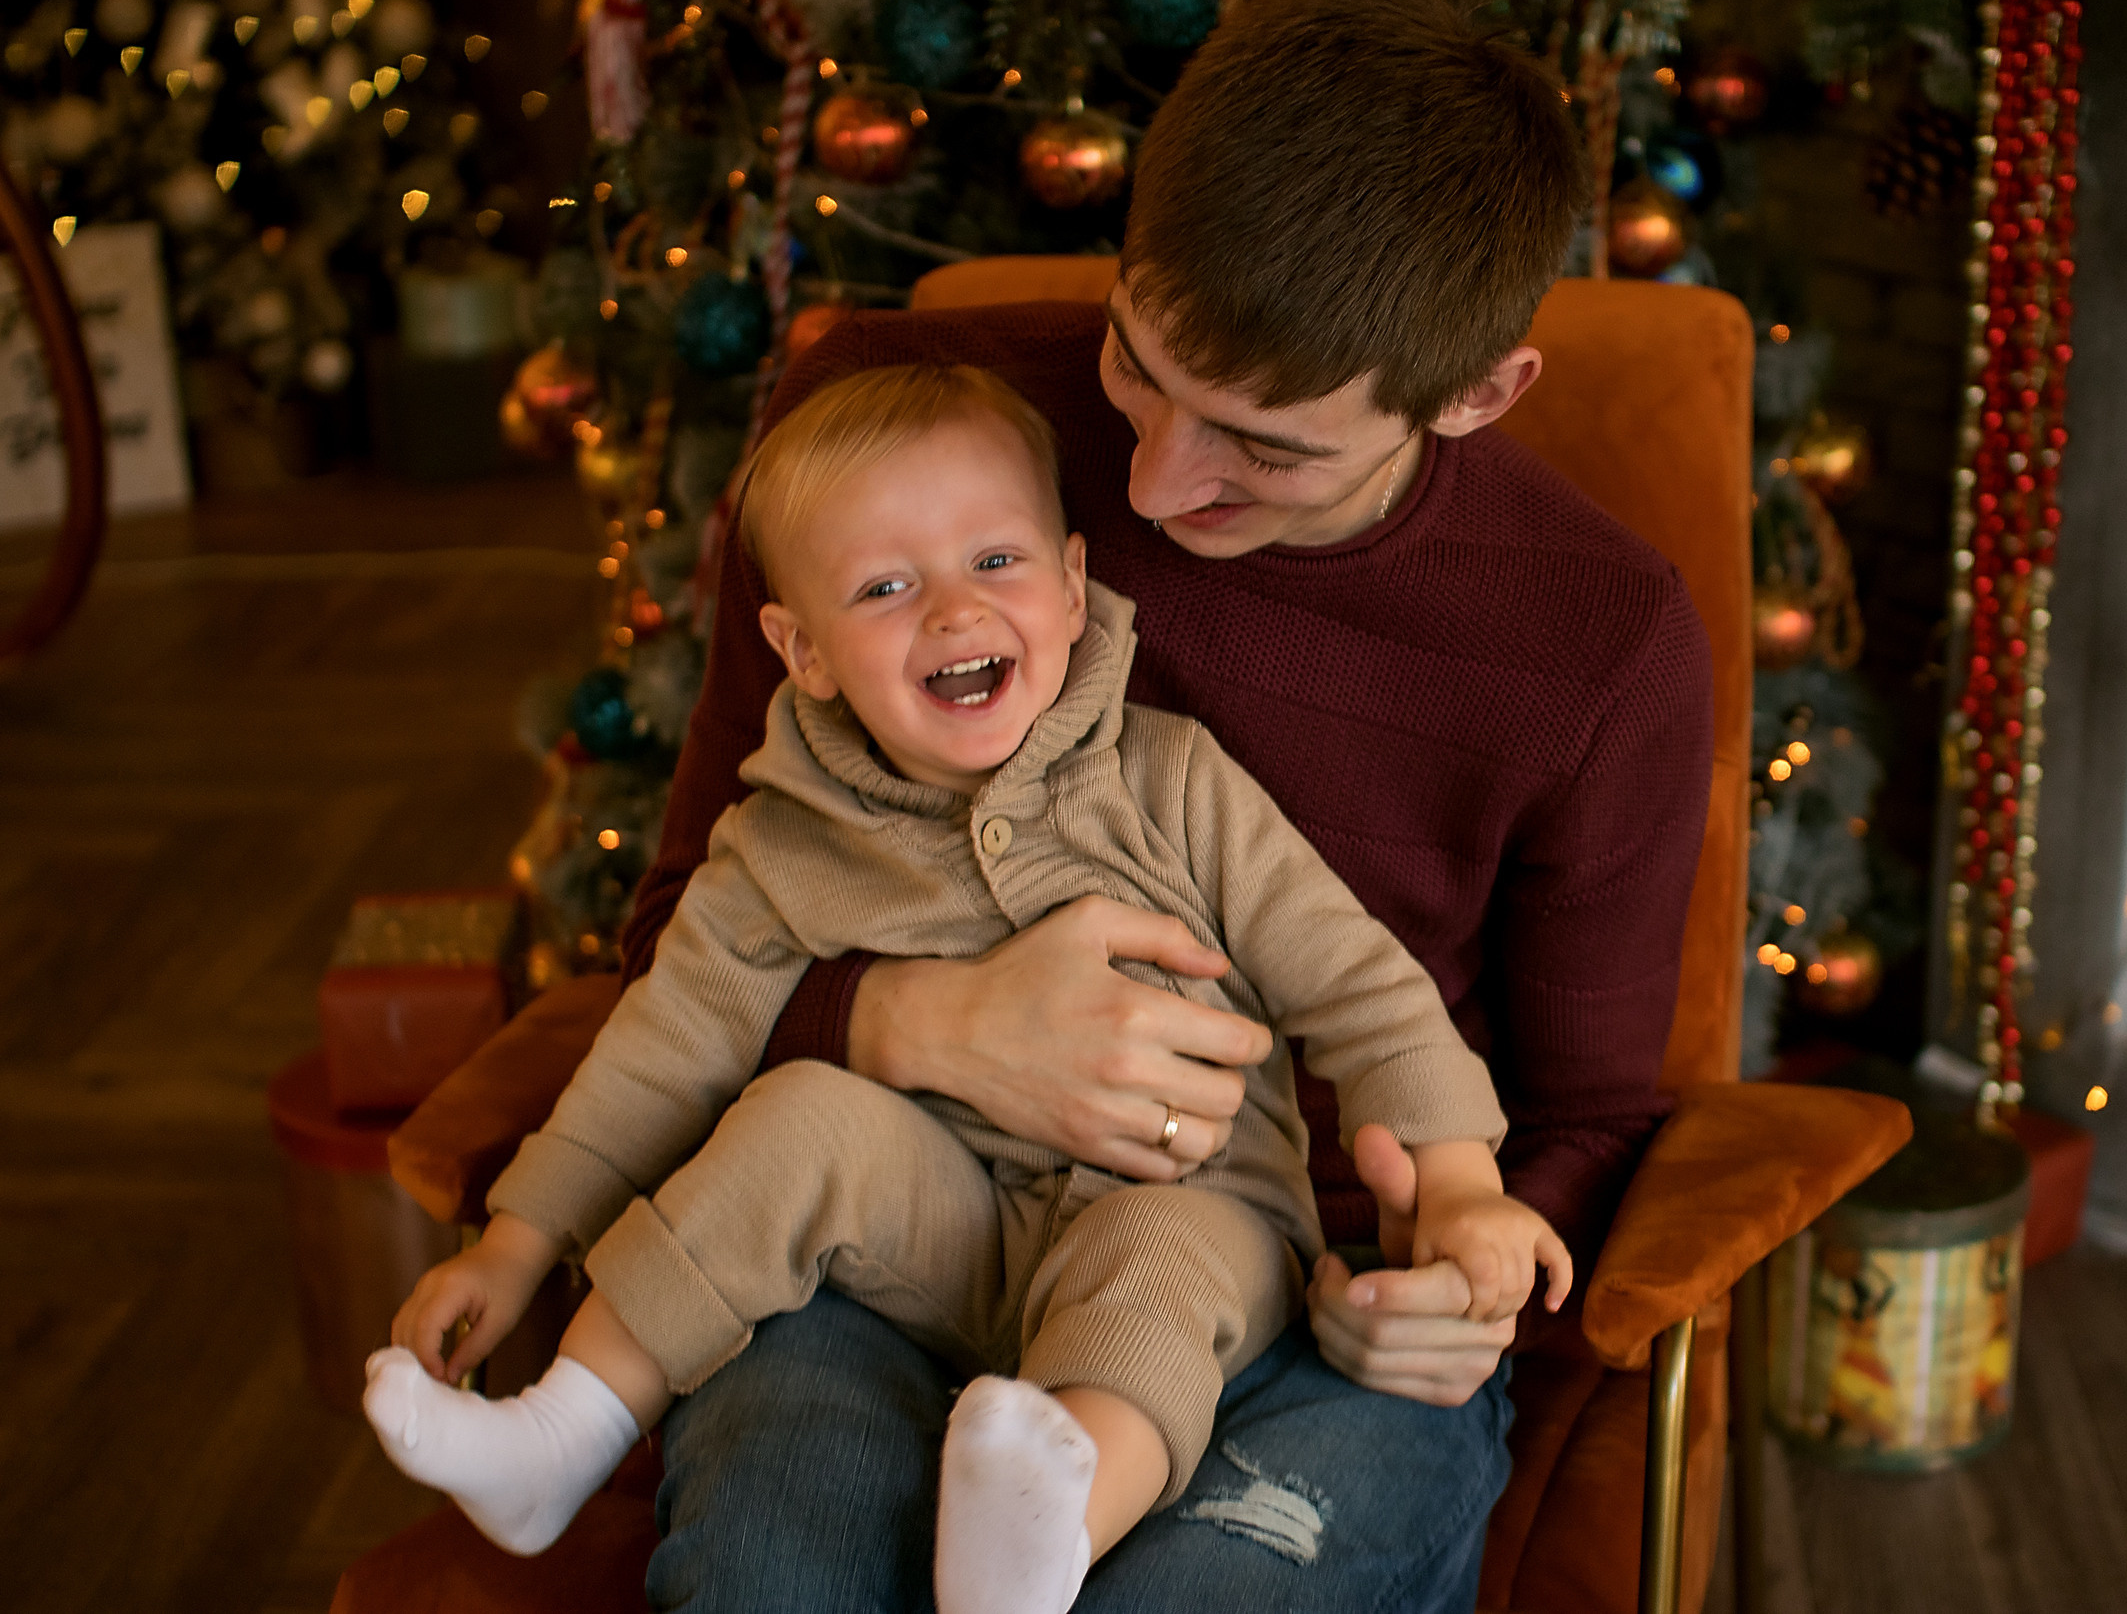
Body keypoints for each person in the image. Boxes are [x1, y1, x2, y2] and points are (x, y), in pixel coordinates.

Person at [580, 0, 1709, 1613]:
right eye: (1134, 365)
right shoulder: (913, 439)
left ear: (1474, 396)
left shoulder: (1603, 639)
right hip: (897, 1233)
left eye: (1263, 444)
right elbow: (686, 923)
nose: (1156, 486)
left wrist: (1478, 1258)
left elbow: (1595, 1114)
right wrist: (918, 1026)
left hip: (1315, 1306)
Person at [361, 363, 1571, 1614]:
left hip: (1192, 1205)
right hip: (934, 1239)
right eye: (884, 587)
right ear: (804, 651)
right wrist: (516, 1246)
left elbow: (1360, 988)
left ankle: (1040, 1545)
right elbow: (662, 1050)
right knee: (795, 1123)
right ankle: (564, 1432)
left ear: (1071, 580)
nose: (950, 611)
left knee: (1157, 1256)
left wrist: (1465, 1187)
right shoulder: (784, 838)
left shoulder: (1170, 781)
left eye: (995, 562)